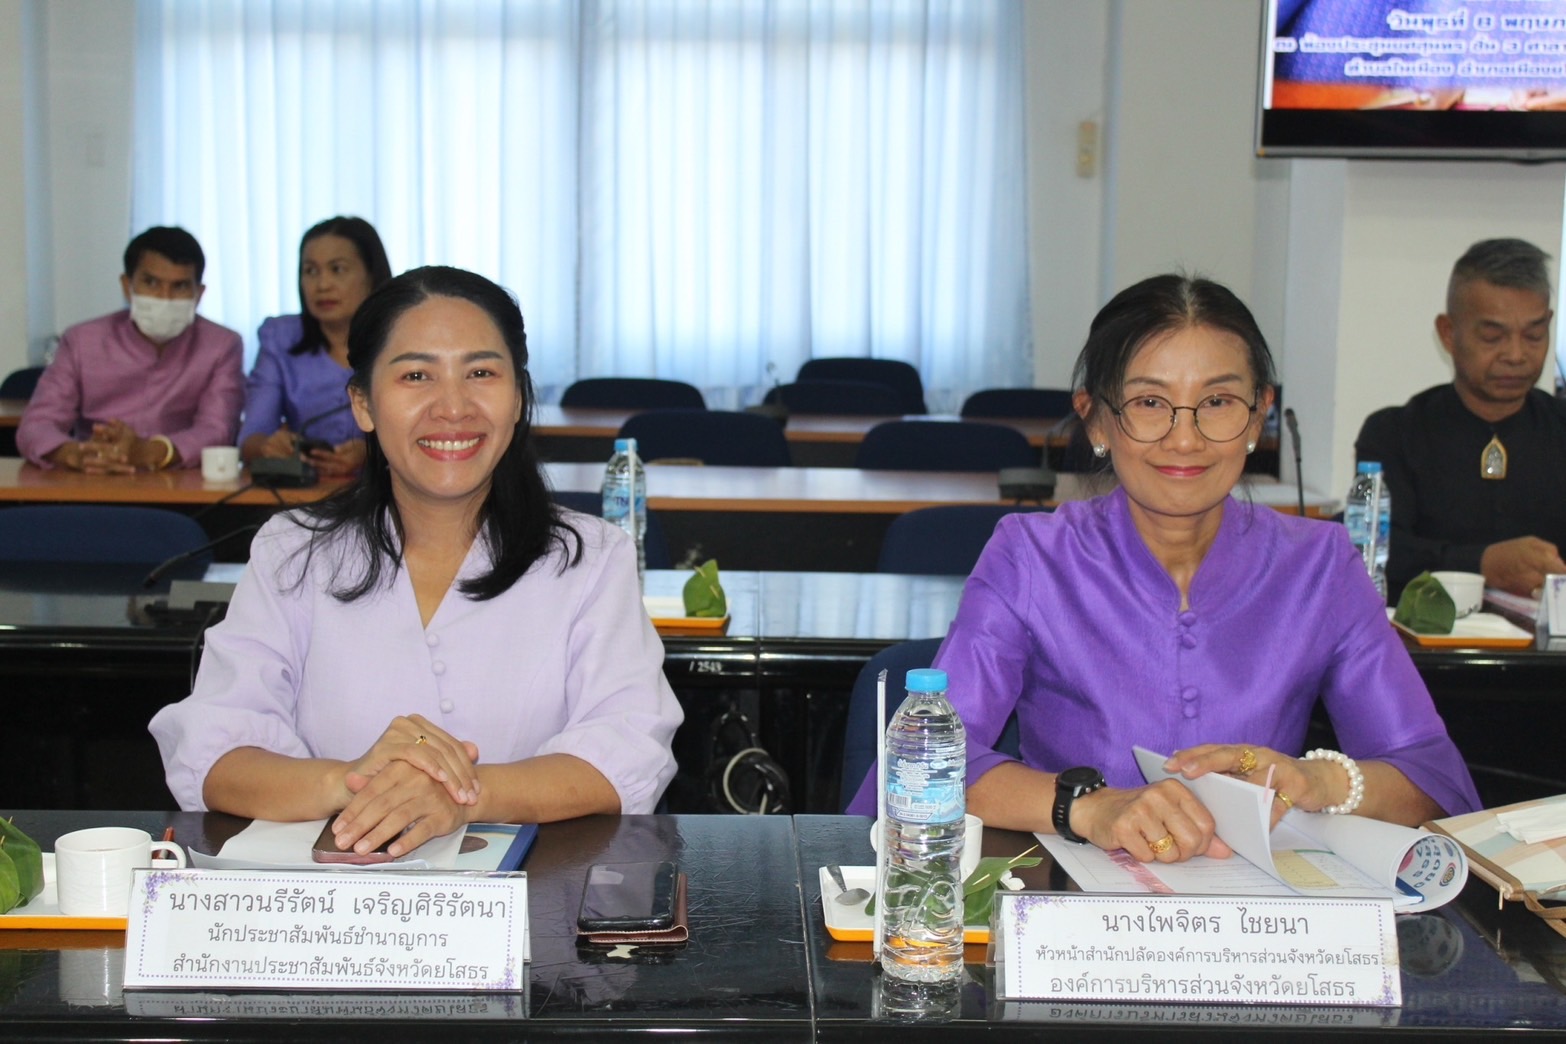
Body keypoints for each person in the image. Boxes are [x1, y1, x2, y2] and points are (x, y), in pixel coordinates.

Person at [849, 274, 1479, 863]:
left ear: (1258, 417)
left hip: (1264, 921)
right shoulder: (1030, 556)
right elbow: (920, 767)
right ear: (1097, 418)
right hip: (1073, 910)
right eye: (1150, 402)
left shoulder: (1321, 566)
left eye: (1219, 401)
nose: (1185, 438)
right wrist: (1090, 809)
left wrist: (1315, 778)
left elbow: (1433, 778)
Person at [150, 266, 682, 855]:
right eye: (415, 375)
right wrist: (355, 779)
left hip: (536, 912)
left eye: (481, 372)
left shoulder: (590, 559)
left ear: (518, 397)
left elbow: (630, 749)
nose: (453, 408)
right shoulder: (293, 552)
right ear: (363, 404)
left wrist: (464, 794)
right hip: (331, 913)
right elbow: (212, 751)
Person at [1356, 238, 1566, 600]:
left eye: (1534, 334)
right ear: (1448, 333)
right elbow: (1375, 551)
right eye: (1492, 336)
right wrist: (1482, 563)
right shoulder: (1394, 434)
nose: (1516, 355)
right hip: (1425, 649)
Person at [17, 226, 244, 471]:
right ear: (127, 286)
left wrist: (151, 452)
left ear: (198, 294)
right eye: (151, 282)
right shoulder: (82, 341)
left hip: (183, 487)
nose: (163, 297)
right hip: (93, 479)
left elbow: (217, 428)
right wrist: (76, 453)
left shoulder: (222, 345)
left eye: (179, 287)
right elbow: (36, 425)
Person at [239, 216, 393, 477]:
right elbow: (251, 438)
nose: (322, 285)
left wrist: (372, 451)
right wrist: (269, 446)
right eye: (310, 271)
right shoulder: (281, 338)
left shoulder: (403, 337)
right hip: (304, 496)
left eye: (338, 269)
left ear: (371, 276)